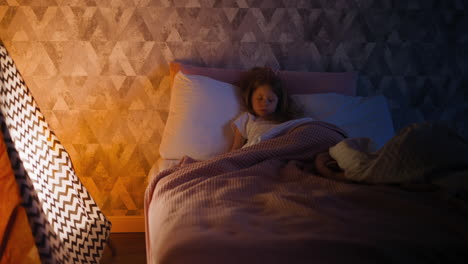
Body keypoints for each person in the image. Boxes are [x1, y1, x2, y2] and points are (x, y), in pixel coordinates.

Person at [230, 67, 307, 151]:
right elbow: (235, 149)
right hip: (259, 152)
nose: (265, 104)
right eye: (259, 99)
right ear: (250, 98)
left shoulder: (287, 121)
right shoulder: (247, 119)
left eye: (270, 100)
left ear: (278, 102)